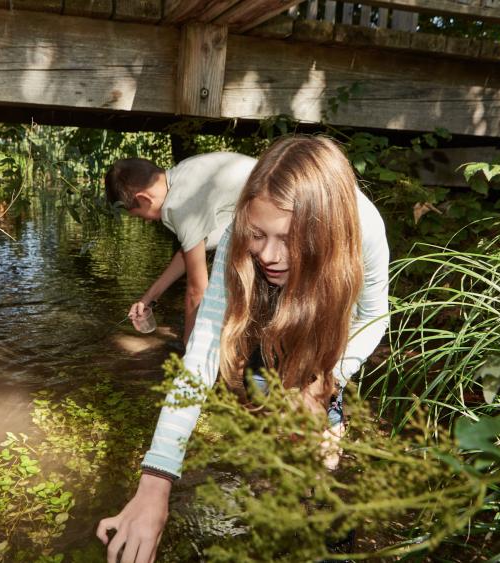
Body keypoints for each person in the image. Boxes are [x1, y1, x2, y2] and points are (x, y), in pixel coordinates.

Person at [97, 136, 390, 563]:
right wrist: (155, 479)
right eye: (257, 235)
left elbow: (376, 315)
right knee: (270, 412)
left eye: (287, 238)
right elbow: (201, 353)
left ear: (322, 227)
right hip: (267, 316)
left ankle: (326, 503)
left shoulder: (364, 228)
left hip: (328, 317)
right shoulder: (241, 228)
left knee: (320, 431)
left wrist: (327, 378)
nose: (270, 256)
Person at [105, 152, 257, 343]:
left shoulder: (179, 206)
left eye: (139, 215)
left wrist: (189, 351)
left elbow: (197, 290)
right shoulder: (183, 174)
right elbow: (190, 252)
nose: (145, 221)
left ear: (144, 199)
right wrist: (149, 298)